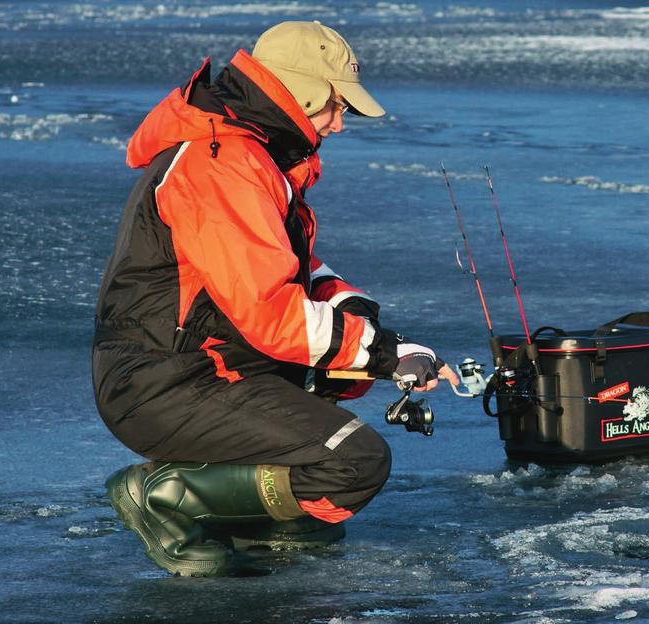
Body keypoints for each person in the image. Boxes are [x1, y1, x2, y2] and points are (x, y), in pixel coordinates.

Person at [92, 20, 458, 577]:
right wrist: (382, 355)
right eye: (336, 107)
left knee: (327, 373)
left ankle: (255, 517)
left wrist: (364, 322)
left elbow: (291, 270)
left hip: (210, 366)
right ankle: (169, 496)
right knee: (354, 461)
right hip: (166, 384)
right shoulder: (222, 163)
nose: (339, 124)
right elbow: (268, 312)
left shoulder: (255, 158)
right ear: (299, 94)